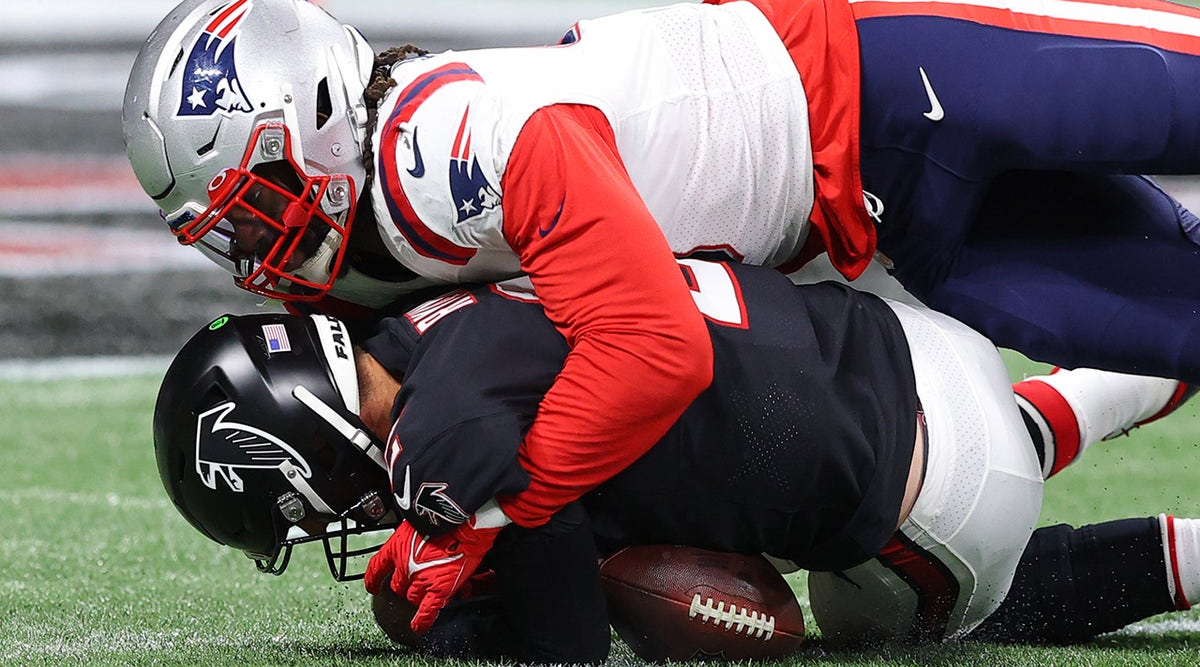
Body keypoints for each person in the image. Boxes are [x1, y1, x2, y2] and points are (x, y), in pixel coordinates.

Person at [126, 0, 1200, 626]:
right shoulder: (374, 246)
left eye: (258, 203)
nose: (257, 250)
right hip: (873, 237)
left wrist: (492, 509)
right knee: (1176, 318)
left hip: (883, 72)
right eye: (229, 231)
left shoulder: (448, 150)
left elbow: (652, 346)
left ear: (314, 109)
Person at [152, 261, 1199, 662]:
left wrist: (457, 605)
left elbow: (565, 647)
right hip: (911, 343)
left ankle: (1189, 556)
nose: (337, 519)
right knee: (987, 442)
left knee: (857, 625)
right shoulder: (448, 306)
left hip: (944, 500)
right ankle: (1160, 356)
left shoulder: (444, 442)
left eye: (308, 508)